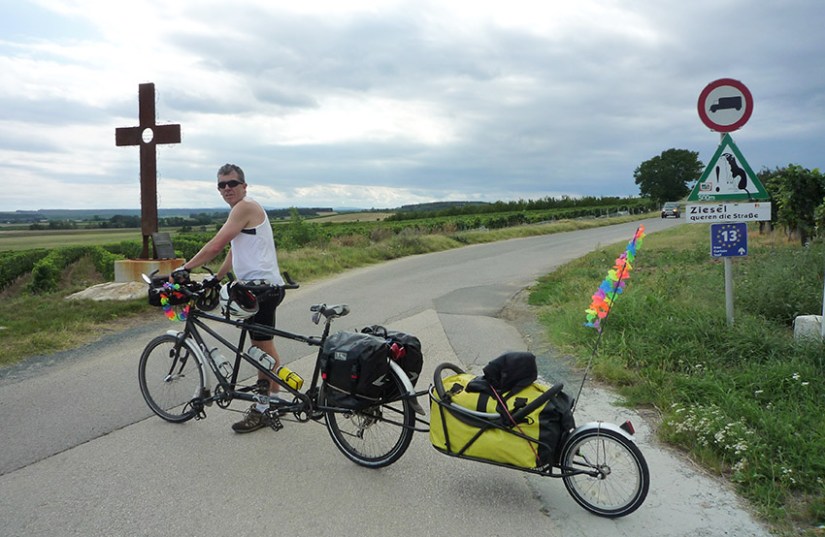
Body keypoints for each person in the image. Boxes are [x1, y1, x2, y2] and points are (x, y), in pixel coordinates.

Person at [172, 163, 286, 433]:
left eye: (232, 183)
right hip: (255, 288)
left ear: (244, 186)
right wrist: (218, 277)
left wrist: (185, 268)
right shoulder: (240, 212)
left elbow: (216, 244)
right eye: (221, 185)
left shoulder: (244, 207)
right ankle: (273, 400)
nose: (226, 189)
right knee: (262, 348)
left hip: (262, 290)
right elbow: (234, 250)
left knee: (262, 350)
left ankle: (264, 407)